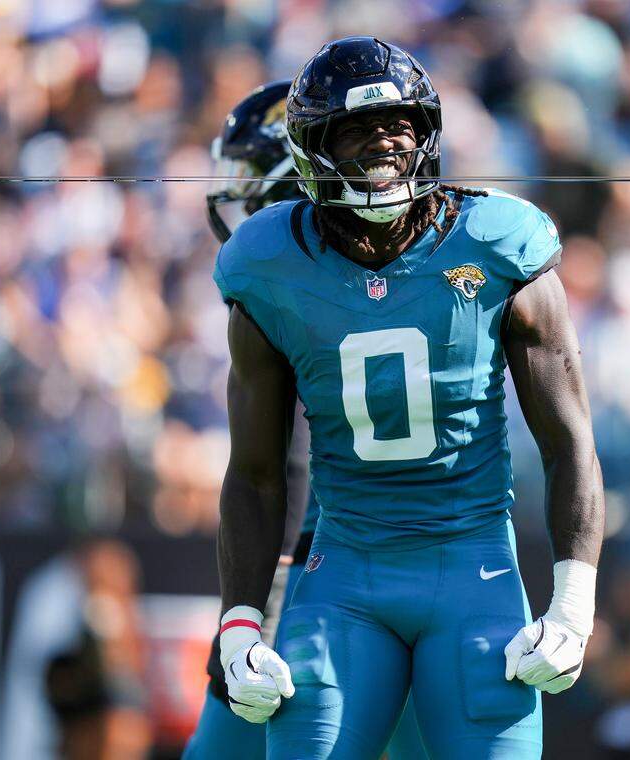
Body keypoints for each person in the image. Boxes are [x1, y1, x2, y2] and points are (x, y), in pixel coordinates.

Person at [214, 37, 605, 759]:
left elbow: (569, 442)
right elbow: (257, 472)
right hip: (342, 579)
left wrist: (573, 603)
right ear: (312, 149)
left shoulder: (496, 241)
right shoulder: (266, 264)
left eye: (401, 127)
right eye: (359, 131)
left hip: (475, 570)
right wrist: (239, 621)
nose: (386, 145)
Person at [186, 79, 428, 760]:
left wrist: (263, 594)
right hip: (434, 554)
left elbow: (284, 458)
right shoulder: (412, 267)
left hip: (331, 571)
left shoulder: (300, 291)